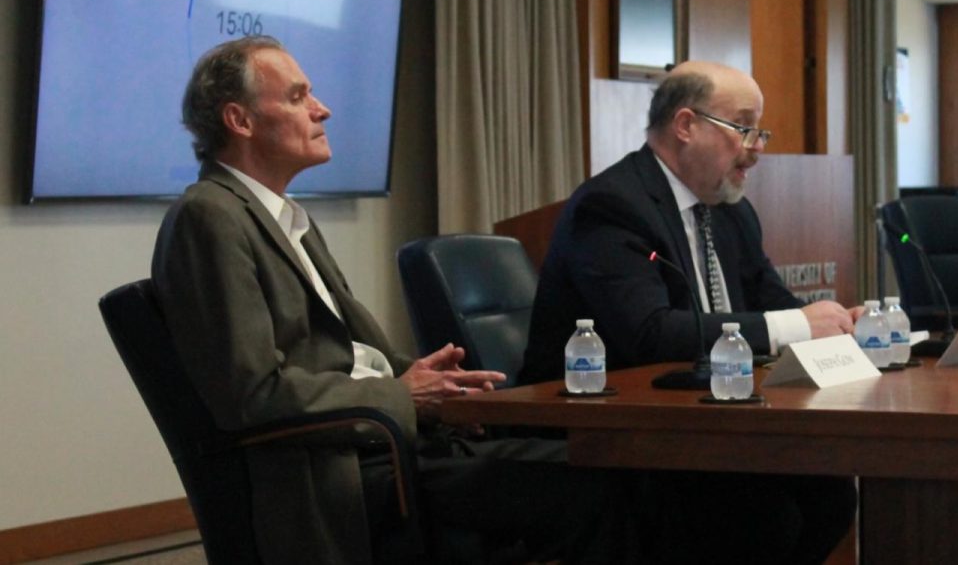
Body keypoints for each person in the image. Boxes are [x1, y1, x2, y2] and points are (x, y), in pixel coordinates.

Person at [152, 36, 632, 564]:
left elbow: (341, 354)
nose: (322, 108)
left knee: (611, 469)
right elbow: (251, 393)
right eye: (297, 97)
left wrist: (433, 385)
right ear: (239, 120)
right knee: (592, 484)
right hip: (340, 471)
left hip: (387, 444)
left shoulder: (283, 217)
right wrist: (404, 397)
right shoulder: (211, 217)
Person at [520, 60, 857, 565]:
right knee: (763, 513)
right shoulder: (612, 206)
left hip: (705, 424)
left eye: (760, 131)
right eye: (744, 128)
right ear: (685, 126)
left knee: (829, 492)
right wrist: (795, 327)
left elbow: (770, 299)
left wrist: (837, 326)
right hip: (609, 433)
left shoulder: (730, 210)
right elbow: (649, 333)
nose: (757, 148)